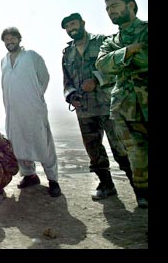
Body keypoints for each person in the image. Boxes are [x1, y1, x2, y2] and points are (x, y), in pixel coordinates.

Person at [61, 12, 135, 200]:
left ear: (82, 23)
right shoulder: (67, 53)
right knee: (94, 150)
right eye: (68, 27)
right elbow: (67, 81)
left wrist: (97, 79)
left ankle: (139, 188)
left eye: (73, 24)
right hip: (84, 109)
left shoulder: (103, 42)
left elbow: (120, 66)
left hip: (108, 105)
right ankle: (106, 185)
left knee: (121, 148)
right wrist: (71, 96)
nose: (72, 28)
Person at [95, 0, 148, 208]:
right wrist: (129, 51)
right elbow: (102, 65)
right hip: (125, 108)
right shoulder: (111, 41)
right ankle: (143, 197)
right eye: (107, 9)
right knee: (137, 158)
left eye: (115, 6)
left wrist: (120, 59)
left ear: (131, 6)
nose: (111, 11)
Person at [0, 26, 61, 197]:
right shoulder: (3, 61)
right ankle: (30, 175)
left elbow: (44, 77)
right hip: (13, 111)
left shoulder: (31, 56)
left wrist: (36, 96)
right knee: (18, 144)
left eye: (12, 38)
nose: (9, 41)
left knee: (43, 144)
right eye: (6, 38)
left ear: (19, 39)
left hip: (33, 109)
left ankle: (53, 180)